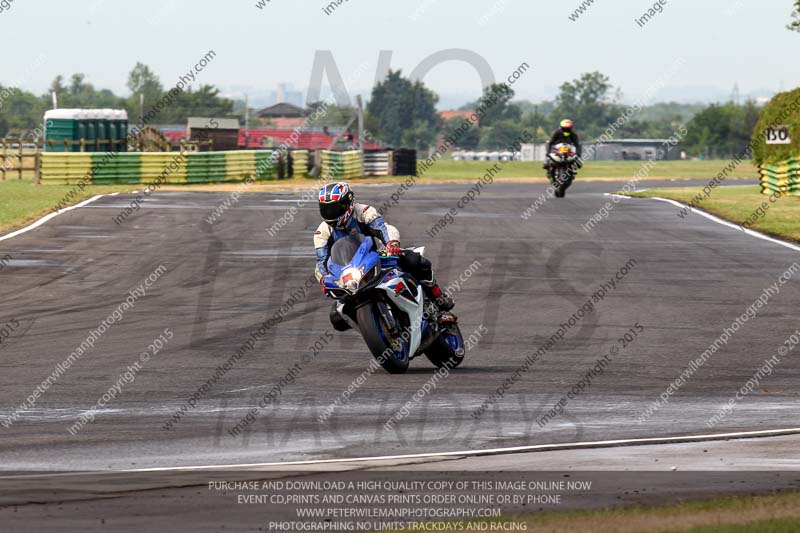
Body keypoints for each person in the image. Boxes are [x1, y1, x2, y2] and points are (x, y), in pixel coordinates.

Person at [314, 182, 454, 311]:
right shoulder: (322, 232)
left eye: (334, 208)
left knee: (415, 260)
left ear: (347, 203)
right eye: (326, 209)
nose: (330, 214)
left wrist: (391, 244)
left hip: (380, 257)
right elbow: (322, 261)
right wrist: (324, 278)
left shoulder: (364, 212)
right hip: (350, 274)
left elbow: (383, 228)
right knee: (336, 316)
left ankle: (437, 296)